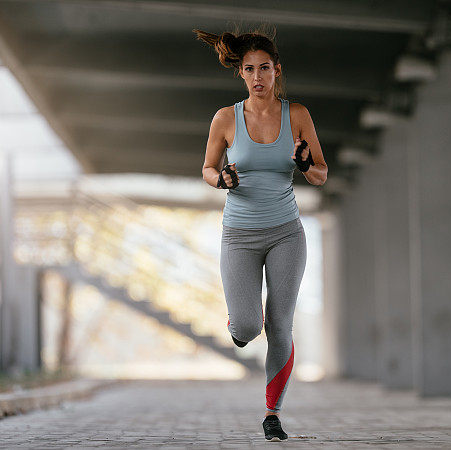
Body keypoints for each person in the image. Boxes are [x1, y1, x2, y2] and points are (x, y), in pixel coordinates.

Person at [194, 27, 327, 442]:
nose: (257, 77)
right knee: (250, 327)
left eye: (264, 69)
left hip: (287, 233)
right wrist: (223, 180)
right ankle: (239, 323)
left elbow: (321, 174)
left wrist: (306, 163)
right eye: (249, 69)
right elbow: (207, 170)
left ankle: (272, 414)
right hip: (239, 236)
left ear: (277, 71)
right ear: (241, 74)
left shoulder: (298, 115)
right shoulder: (225, 118)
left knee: (280, 325)